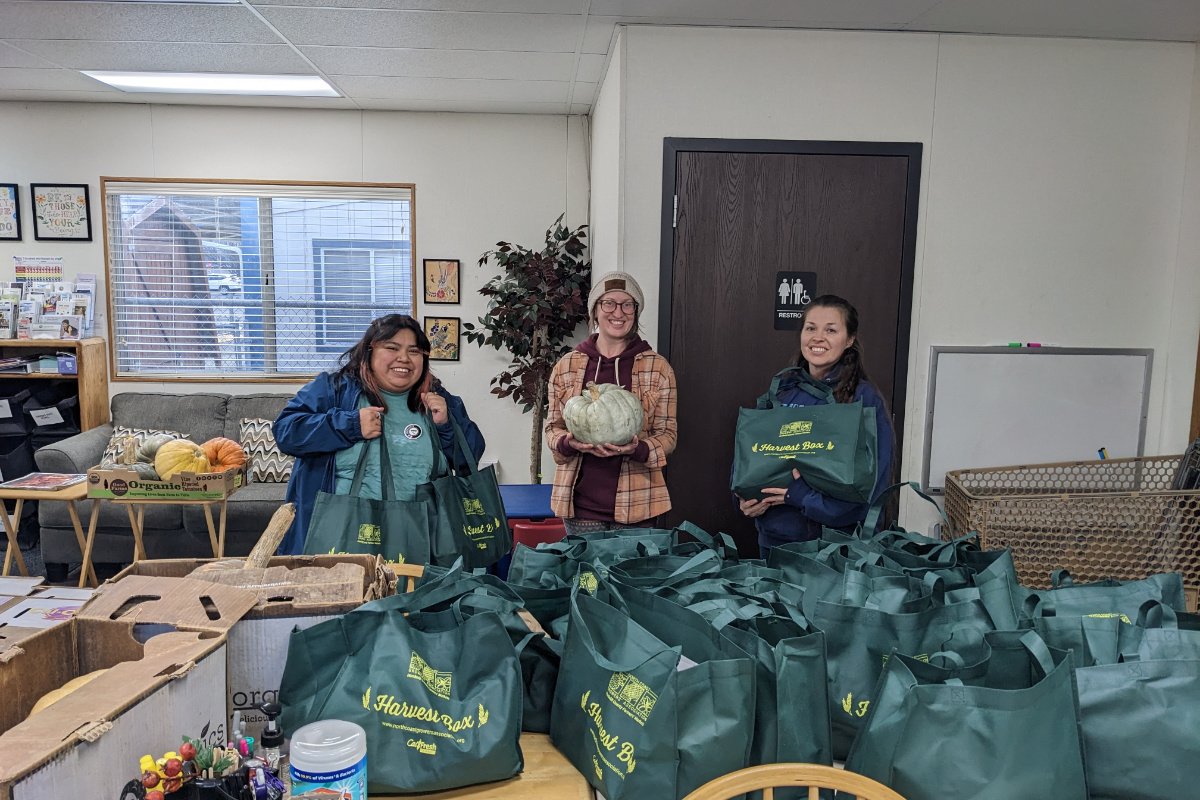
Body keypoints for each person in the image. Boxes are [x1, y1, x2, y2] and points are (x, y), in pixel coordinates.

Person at [273, 314, 484, 555]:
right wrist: (350, 425)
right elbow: (287, 431)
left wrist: (445, 426)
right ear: (369, 351)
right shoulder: (335, 389)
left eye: (414, 351)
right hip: (339, 538)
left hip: (419, 539)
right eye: (392, 348)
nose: (403, 358)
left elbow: (470, 461)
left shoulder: (437, 399)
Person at [737, 294, 894, 556]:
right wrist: (745, 500)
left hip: (835, 548)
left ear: (850, 340)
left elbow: (875, 483)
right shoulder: (782, 392)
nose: (817, 337)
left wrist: (803, 497)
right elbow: (751, 457)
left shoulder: (863, 399)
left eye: (830, 330)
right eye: (811, 328)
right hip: (777, 542)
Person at [545, 271, 678, 536]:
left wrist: (637, 449)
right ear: (595, 310)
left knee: (632, 578)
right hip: (580, 507)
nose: (618, 312)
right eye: (608, 303)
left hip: (638, 506)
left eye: (627, 304)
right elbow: (552, 427)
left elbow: (668, 435)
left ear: (636, 312)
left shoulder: (658, 368)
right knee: (587, 578)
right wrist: (567, 443)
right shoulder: (567, 365)